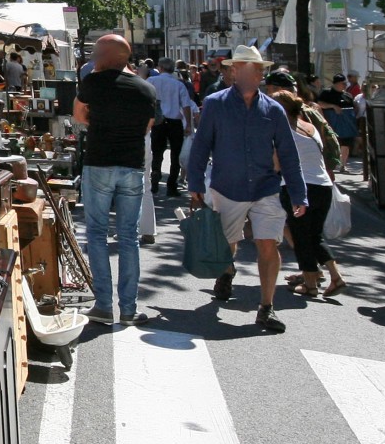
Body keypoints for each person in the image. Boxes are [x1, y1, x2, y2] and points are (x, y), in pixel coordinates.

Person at [187, 45, 307, 333]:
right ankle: (227, 270)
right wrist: (194, 185)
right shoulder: (215, 103)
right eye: (246, 69)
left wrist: (299, 193)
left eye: (257, 70)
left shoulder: (274, 109)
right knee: (228, 242)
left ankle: (266, 307)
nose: (253, 75)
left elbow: (289, 154)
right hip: (227, 187)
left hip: (265, 187)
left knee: (268, 243)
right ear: (233, 71)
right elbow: (201, 145)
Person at [72, 33, 158, 324]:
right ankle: (130, 309)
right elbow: (147, 126)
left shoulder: (93, 83)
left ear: (107, 58)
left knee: (96, 233)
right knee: (129, 238)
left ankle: (104, 305)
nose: (93, 59)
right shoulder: (146, 88)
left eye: (97, 54)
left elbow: (79, 116)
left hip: (99, 163)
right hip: (132, 166)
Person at [273, 91, 339, 299]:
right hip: (323, 186)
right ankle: (336, 276)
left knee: (301, 236)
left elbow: (276, 165)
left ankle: (310, 284)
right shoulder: (310, 128)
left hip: (298, 187)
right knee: (315, 235)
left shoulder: (281, 131)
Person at [147, 57, 196, 195]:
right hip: (174, 122)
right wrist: (188, 124)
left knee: (157, 152)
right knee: (175, 154)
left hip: (158, 121)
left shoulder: (151, 81)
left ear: (160, 68)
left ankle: (155, 175)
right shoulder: (178, 84)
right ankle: (172, 185)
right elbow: (186, 105)